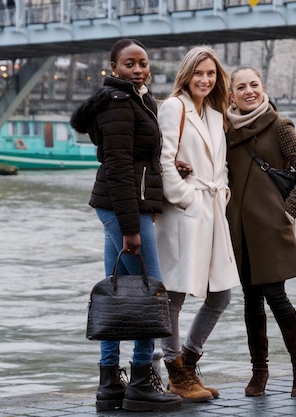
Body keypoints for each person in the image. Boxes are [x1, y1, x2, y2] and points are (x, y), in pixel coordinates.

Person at [69, 38, 181, 413]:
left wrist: (169, 170)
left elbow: (137, 159)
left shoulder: (136, 98)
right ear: (113, 67)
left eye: (143, 63)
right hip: (122, 209)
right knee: (151, 291)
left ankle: (108, 382)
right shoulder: (118, 104)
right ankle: (141, 382)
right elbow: (118, 169)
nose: (138, 69)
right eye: (129, 64)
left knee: (117, 291)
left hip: (122, 205)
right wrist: (131, 228)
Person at [225, 66, 296, 397]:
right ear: (231, 95)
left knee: (276, 298)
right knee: (250, 302)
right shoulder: (225, 130)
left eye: (254, 84)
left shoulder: (279, 126)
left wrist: (288, 213)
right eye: (241, 87)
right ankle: (259, 372)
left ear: (263, 87)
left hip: (270, 230)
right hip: (238, 231)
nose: (249, 91)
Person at [154, 46, 240, 402]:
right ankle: (176, 372)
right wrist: (185, 197)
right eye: (198, 73)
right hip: (186, 212)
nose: (205, 80)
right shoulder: (174, 107)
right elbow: (165, 158)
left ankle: (188, 361)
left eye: (211, 74)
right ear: (186, 75)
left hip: (212, 210)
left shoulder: (217, 114)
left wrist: (222, 195)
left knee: (221, 293)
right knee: (174, 294)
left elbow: (219, 165)